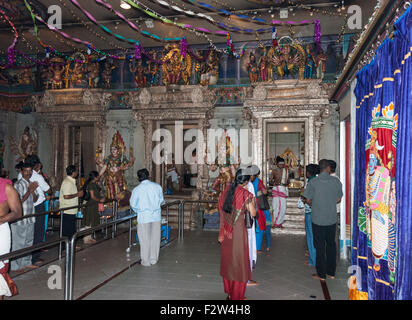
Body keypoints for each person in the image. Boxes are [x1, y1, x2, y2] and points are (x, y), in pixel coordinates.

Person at [218, 169, 257, 300]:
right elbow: (253, 213)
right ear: (246, 181)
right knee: (239, 263)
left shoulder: (225, 192)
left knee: (229, 261)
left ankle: (229, 291)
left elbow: (221, 211)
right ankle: (236, 295)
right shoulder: (246, 194)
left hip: (226, 231)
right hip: (239, 232)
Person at [302, 159, 343, 281]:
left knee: (319, 246)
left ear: (320, 169)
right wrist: (329, 202)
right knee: (331, 245)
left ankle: (321, 274)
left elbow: (307, 199)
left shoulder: (313, 182)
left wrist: (314, 203)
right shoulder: (336, 181)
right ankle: (331, 272)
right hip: (331, 218)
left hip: (317, 219)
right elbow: (339, 199)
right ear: (329, 168)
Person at [130, 168, 164, 267]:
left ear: (138, 178)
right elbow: (161, 200)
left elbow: (133, 204)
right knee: (155, 238)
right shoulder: (157, 187)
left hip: (143, 217)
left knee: (144, 239)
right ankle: (154, 259)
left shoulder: (137, 189)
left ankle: (146, 261)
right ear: (148, 176)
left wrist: (139, 211)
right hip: (156, 216)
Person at [23, 155, 51, 266]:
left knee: (29, 231)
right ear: (36, 165)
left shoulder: (21, 175)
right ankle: (34, 258)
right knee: (37, 231)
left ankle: (26, 257)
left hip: (27, 206)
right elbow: (48, 190)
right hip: (38, 205)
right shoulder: (37, 176)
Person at [11, 162, 39, 273]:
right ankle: (15, 266)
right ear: (21, 172)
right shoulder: (18, 184)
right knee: (18, 243)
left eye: (30, 171)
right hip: (19, 218)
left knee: (28, 241)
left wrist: (32, 192)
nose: (28, 173)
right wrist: (29, 191)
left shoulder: (31, 183)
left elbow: (35, 199)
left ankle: (27, 263)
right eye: (26, 171)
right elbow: (18, 201)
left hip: (30, 216)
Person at [0, 175, 22, 299]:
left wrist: (1, 219)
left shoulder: (7, 187)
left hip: (1, 231)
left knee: (0, 273)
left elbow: (17, 212)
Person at [249, 165, 272, 253]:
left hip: (247, 205)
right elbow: (265, 191)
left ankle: (250, 246)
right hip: (257, 207)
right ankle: (257, 247)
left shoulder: (244, 181)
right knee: (260, 226)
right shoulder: (258, 181)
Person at [301, 164, 320, 267]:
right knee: (316, 236)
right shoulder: (318, 181)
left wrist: (303, 198)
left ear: (308, 172)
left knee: (310, 236)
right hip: (318, 212)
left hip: (310, 212)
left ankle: (312, 260)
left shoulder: (310, 182)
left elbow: (307, 199)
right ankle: (315, 257)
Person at [59, 165, 83, 239]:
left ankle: (71, 246)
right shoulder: (67, 182)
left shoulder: (71, 181)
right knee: (66, 230)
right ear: (73, 172)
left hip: (71, 210)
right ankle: (64, 247)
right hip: (67, 210)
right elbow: (66, 196)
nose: (77, 173)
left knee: (71, 229)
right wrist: (77, 194)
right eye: (76, 171)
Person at [81, 171, 105, 244]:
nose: (99, 177)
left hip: (95, 205)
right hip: (91, 204)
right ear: (95, 177)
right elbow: (92, 196)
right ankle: (86, 238)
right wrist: (100, 200)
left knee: (93, 221)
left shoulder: (95, 184)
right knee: (89, 221)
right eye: (98, 176)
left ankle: (90, 237)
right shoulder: (91, 185)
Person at [271, 156, 289, 228]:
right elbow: (270, 181)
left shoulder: (286, 171)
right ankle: (274, 222)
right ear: (277, 164)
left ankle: (280, 222)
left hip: (283, 189)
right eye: (280, 164)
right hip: (276, 189)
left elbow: (288, 181)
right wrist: (274, 183)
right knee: (276, 207)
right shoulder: (274, 171)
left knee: (283, 207)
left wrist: (286, 183)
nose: (281, 165)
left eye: (282, 164)